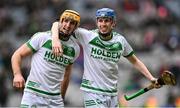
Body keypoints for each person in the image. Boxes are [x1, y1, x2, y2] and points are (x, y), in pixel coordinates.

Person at [51, 8, 161, 108]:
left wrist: (151, 78)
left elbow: (135, 61)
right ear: (97, 22)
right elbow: (57, 23)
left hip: (112, 94)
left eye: (106, 21)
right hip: (92, 92)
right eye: (100, 20)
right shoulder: (87, 36)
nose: (103, 24)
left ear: (113, 23)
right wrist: (55, 40)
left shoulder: (120, 41)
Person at [11, 9, 80, 108]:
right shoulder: (42, 37)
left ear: (75, 27)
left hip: (55, 99)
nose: (68, 25)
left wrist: (62, 96)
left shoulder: (75, 48)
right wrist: (17, 74)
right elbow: (17, 55)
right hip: (33, 94)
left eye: (72, 23)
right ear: (60, 22)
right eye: (65, 21)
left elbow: (67, 74)